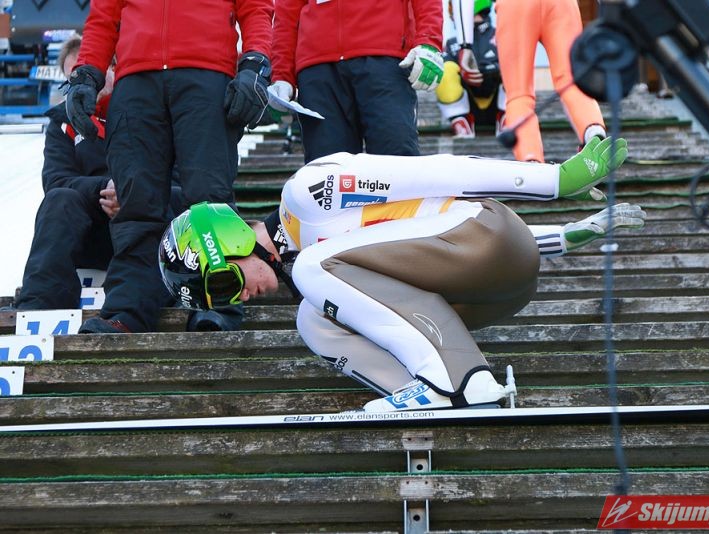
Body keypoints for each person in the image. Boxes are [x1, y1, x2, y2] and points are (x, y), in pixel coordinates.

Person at [158, 137, 644, 412]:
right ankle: (432, 393)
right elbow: (415, 244)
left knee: (312, 269)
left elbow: (440, 174)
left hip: (485, 232)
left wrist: (555, 181)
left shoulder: (307, 194)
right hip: (488, 280)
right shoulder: (319, 266)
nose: (240, 298)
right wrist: (563, 238)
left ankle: (450, 381)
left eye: (225, 284)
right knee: (313, 319)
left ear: (229, 240)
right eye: (224, 300)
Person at [62, 0, 273, 333]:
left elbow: (256, 7)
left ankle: (218, 301)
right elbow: (104, 15)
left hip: (206, 75)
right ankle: (127, 311)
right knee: (136, 205)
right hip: (136, 82)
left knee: (209, 196)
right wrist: (86, 73)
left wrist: (254, 63)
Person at [9, 36, 240, 332]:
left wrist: (133, 194)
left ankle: (197, 296)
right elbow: (55, 181)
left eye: (87, 73)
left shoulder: (156, 110)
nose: (81, 84)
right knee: (59, 200)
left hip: (156, 229)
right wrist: (107, 189)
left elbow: (184, 183)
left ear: (114, 68)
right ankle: (39, 307)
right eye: (72, 79)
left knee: (188, 201)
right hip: (95, 228)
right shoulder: (63, 122)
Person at [268, 0, 444, 163]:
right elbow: (286, 12)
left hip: (384, 59)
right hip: (317, 69)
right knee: (327, 170)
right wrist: (282, 75)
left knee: (395, 162)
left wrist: (429, 40)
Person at [495, 0, 607, 163]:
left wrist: (465, 45)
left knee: (518, 94)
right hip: (562, 4)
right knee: (572, 81)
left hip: (515, 5)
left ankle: (530, 158)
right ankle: (592, 129)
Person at [437, 0, 506, 138]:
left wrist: (492, 70)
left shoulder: (501, 37)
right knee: (444, 66)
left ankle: (507, 118)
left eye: (452, 5)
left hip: (500, 104)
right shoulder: (452, 43)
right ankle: (460, 121)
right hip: (466, 106)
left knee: (515, 63)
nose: (451, 11)